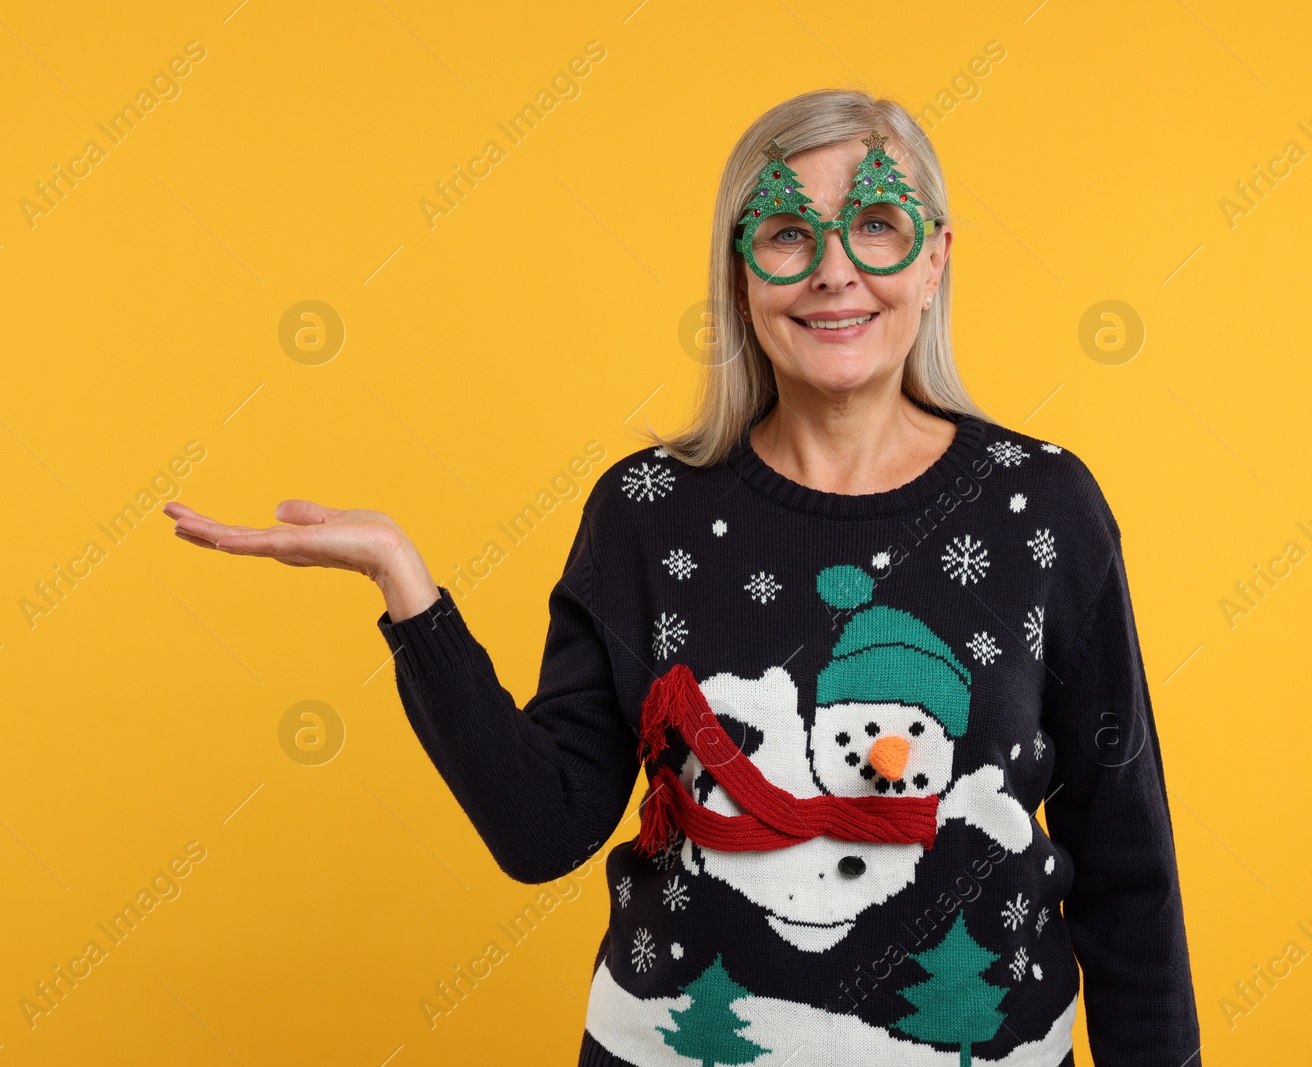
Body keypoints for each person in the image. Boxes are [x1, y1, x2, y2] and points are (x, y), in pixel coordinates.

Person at [166, 88, 1202, 1067]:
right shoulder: (647, 511)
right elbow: (541, 829)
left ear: (934, 259)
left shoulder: (1041, 507)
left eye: (876, 225)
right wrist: (410, 592)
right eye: (790, 234)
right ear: (740, 273)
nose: (834, 271)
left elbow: (1124, 855)